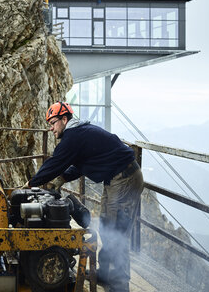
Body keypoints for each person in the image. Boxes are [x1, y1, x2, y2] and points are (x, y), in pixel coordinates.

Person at [23, 101, 144, 292]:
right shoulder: (79, 134)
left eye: (53, 122)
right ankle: (104, 273)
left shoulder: (74, 136)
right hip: (115, 179)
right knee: (107, 226)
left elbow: (56, 162)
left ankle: (120, 286)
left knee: (117, 232)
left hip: (124, 179)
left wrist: (32, 183)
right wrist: (62, 178)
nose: (51, 128)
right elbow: (80, 165)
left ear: (64, 119)